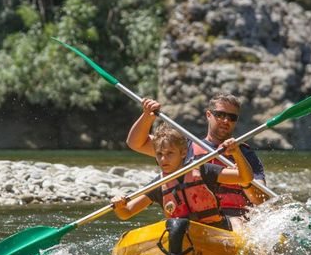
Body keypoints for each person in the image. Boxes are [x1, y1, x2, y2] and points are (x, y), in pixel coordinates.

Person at [125, 94, 267, 217]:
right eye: (220, 115)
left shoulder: (245, 154)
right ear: (208, 115)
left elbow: (262, 200)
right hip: (194, 216)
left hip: (236, 216)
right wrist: (147, 116)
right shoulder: (184, 147)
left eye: (232, 117)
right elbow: (136, 143)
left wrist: (244, 181)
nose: (226, 121)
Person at [112, 124, 254, 231]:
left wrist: (236, 153)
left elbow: (245, 177)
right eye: (159, 154)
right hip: (182, 232)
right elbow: (127, 213)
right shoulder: (159, 184)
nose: (163, 159)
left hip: (216, 230)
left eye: (169, 153)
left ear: (183, 152)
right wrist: (119, 206)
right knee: (176, 227)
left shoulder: (203, 170)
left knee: (239, 226)